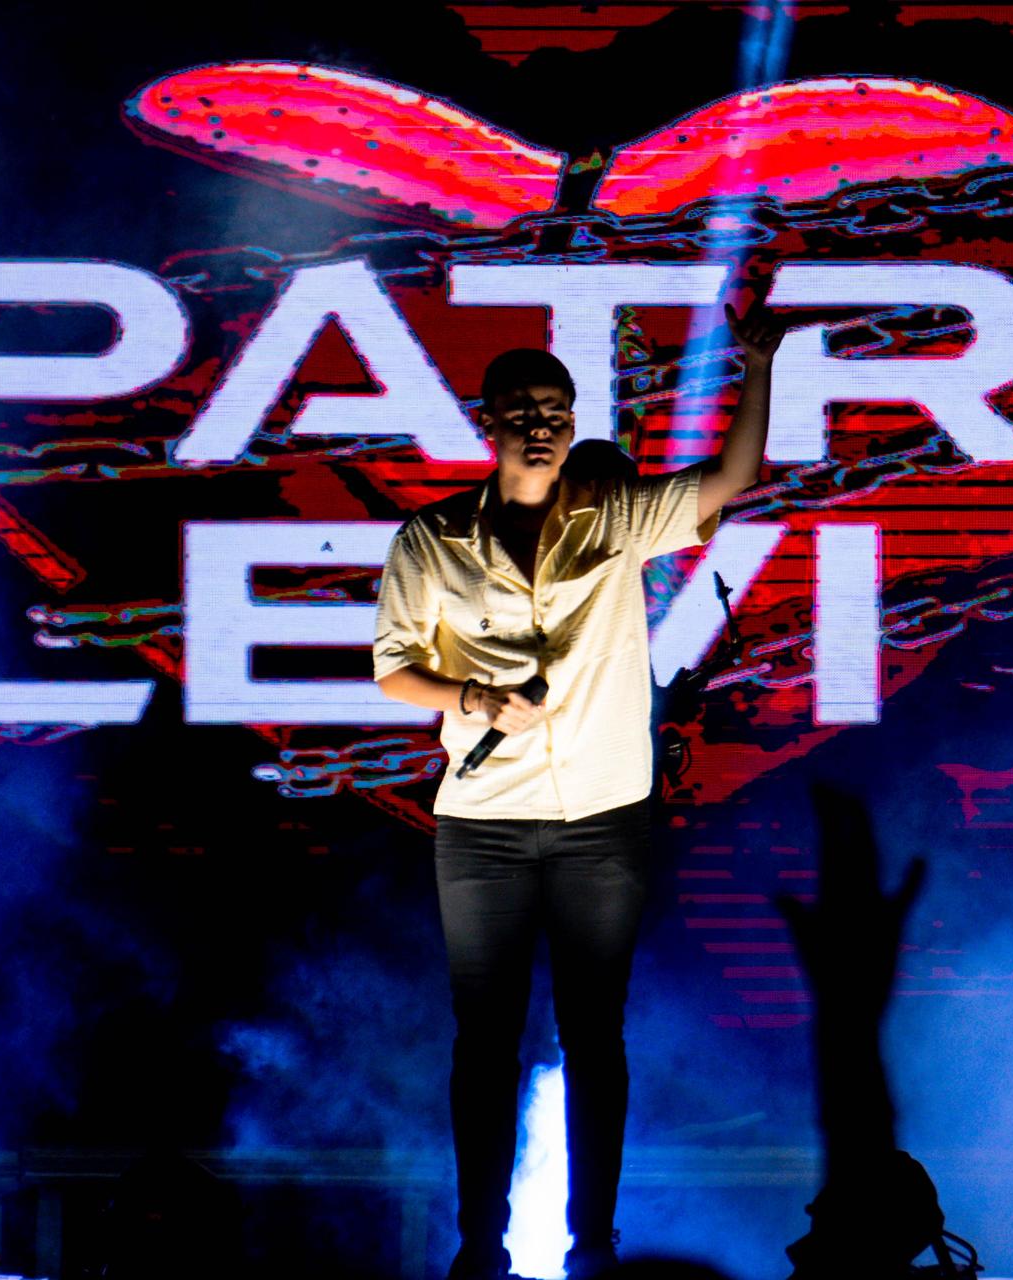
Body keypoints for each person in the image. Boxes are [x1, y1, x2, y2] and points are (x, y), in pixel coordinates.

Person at [372, 296, 787, 1280]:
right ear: (489, 421)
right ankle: (481, 1245)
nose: (543, 425)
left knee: (595, 1036)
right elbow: (393, 667)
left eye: (557, 411)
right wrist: (470, 693)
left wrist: (759, 369)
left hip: (602, 821)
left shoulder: (617, 517)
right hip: (483, 825)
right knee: (485, 1042)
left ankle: (591, 1245)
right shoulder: (434, 537)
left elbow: (733, 477)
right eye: (524, 410)